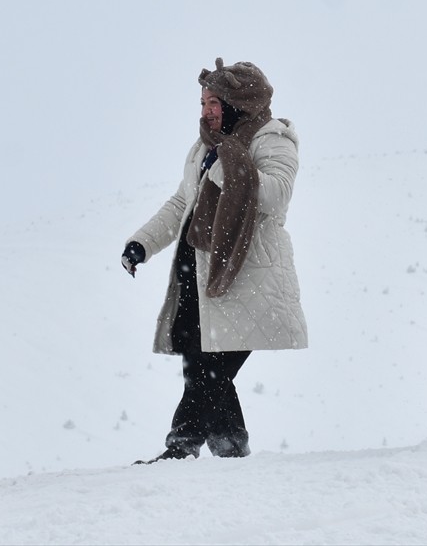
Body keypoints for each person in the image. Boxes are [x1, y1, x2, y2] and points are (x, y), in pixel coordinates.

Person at [121, 58, 308, 462]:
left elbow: (277, 193)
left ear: (238, 103)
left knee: (212, 371)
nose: (205, 111)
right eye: (202, 102)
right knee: (202, 367)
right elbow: (181, 203)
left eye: (214, 103)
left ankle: (181, 447)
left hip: (247, 278)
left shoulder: (272, 139)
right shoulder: (205, 147)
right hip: (198, 273)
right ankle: (231, 450)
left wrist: (230, 166)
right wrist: (142, 244)